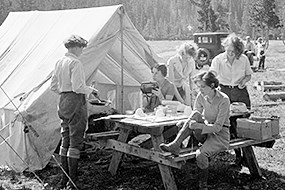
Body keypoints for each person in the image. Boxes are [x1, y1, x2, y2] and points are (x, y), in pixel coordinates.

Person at [160, 71, 230, 190]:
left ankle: (203, 185)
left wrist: (197, 126)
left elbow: (218, 127)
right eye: (199, 87)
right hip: (205, 131)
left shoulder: (224, 100)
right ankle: (176, 145)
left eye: (203, 86)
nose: (200, 89)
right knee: (195, 114)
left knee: (201, 155)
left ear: (212, 86)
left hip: (219, 134)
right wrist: (188, 124)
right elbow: (195, 115)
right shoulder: (201, 96)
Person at [50, 34, 98, 189]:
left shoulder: (59, 62)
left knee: (65, 139)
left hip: (63, 101)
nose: (82, 51)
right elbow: (78, 87)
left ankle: (64, 179)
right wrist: (90, 89)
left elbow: (53, 86)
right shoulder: (75, 63)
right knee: (75, 141)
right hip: (75, 101)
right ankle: (73, 182)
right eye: (82, 48)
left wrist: (65, 92)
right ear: (76, 47)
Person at [210, 33, 253, 167]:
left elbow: (248, 75)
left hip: (240, 92)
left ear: (239, 51)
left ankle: (247, 156)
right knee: (229, 123)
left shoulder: (244, 59)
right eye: (228, 50)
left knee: (243, 121)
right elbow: (212, 75)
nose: (230, 53)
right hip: (224, 91)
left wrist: (244, 80)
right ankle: (238, 154)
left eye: (233, 51)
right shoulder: (218, 60)